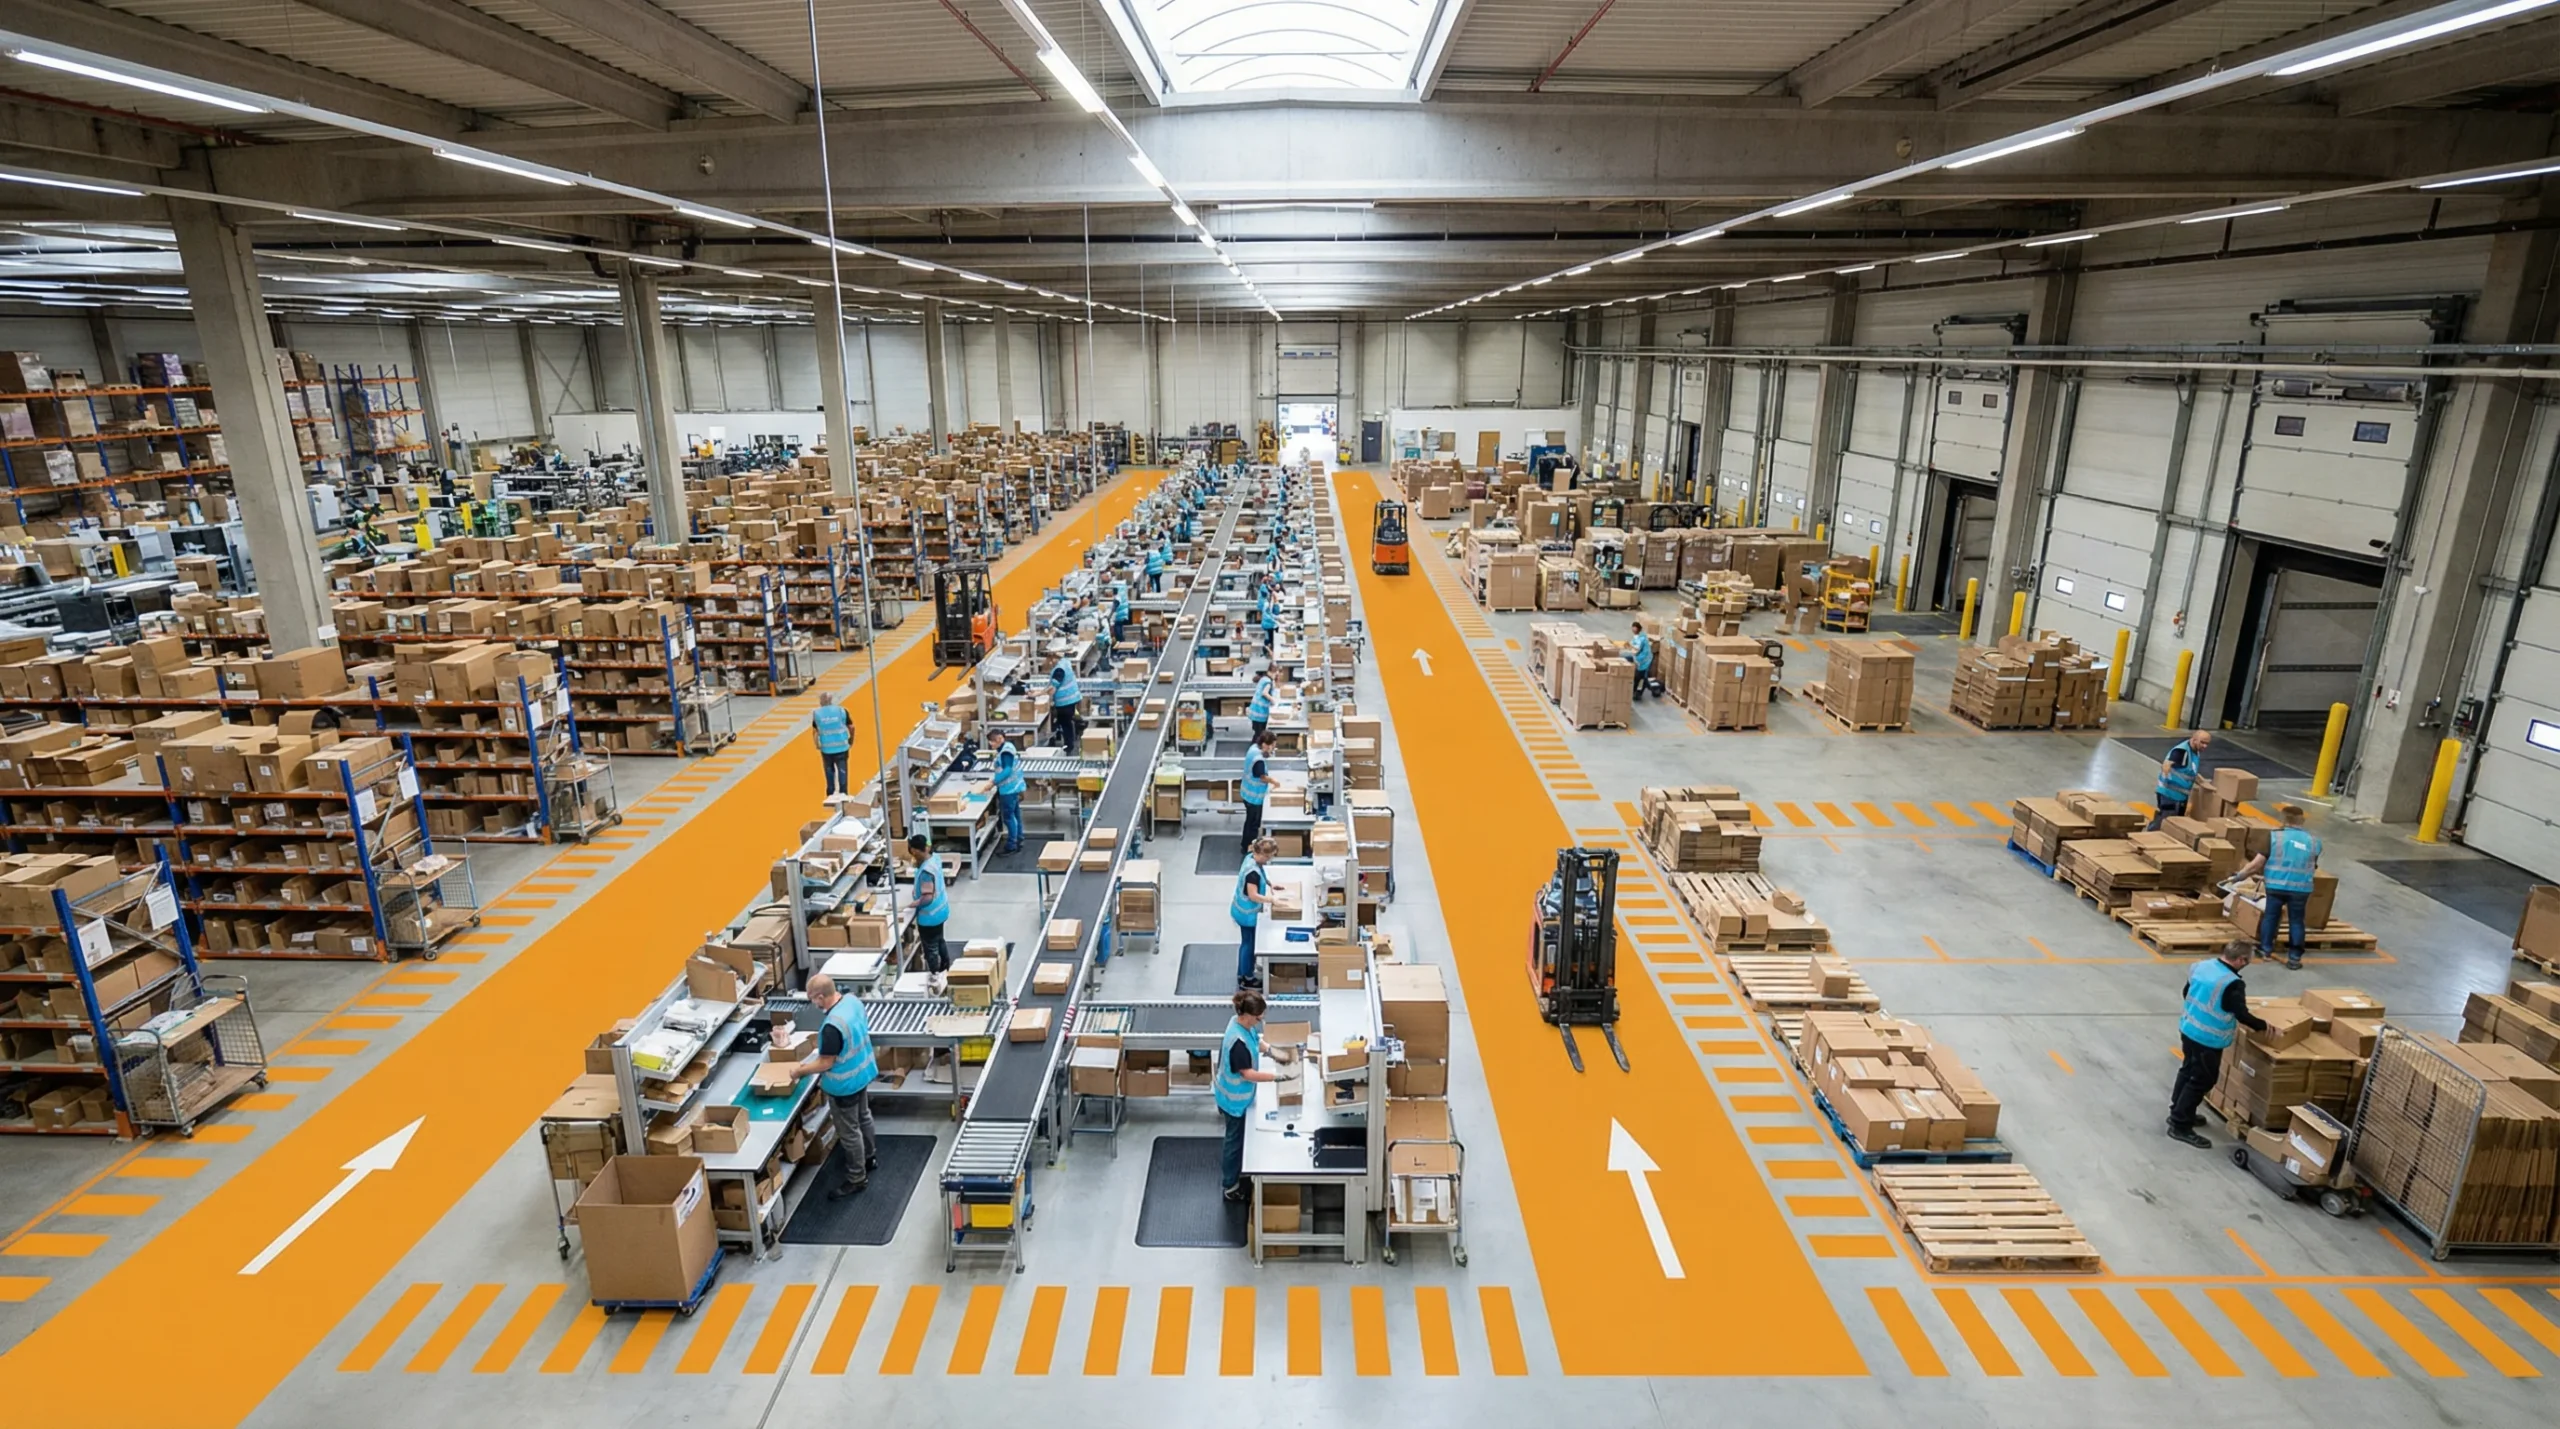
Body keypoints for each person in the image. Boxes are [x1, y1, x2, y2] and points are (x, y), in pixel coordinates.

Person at [2167, 940, 2268, 1147]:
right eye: (2248, 960)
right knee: (2202, 1080)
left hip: (2188, 1028)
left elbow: (2187, 992)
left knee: (2187, 1070)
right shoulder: (2232, 983)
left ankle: (2177, 1111)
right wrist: (2264, 1026)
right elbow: (2241, 1014)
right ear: (2241, 960)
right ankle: (2180, 1125)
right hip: (2208, 1038)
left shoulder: (2201, 966)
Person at [792, 974, 878, 1199]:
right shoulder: (852, 1001)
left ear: (821, 997)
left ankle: (857, 1178)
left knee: (849, 1133)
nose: (813, 1004)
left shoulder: (832, 1026)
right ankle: (870, 1157)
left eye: (813, 999)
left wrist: (799, 1071)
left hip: (845, 1085)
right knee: (864, 1117)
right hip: (862, 1071)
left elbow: (825, 1062)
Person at [1216, 986, 1283, 1204]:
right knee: (1233, 1142)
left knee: (1240, 1139)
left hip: (1242, 1097)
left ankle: (1241, 1172)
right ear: (1247, 1016)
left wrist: (1275, 1052)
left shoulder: (1241, 1024)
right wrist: (1276, 1077)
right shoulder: (1237, 1043)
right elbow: (1248, 1074)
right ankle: (1230, 1186)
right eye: (1258, 1018)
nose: (1260, 1021)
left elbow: (1257, 1039)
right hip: (1234, 1101)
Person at [2236, 804, 2322, 970]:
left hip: (2276, 886)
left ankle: (2266, 949)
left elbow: (2256, 865)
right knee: (2297, 921)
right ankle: (2295, 958)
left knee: (2271, 916)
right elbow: (2313, 865)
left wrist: (2239, 876)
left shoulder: (2274, 837)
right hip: (2301, 889)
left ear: (2282, 819)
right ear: (2302, 820)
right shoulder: (2314, 842)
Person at [1231, 836, 1277, 988]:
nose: (1269, 860)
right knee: (1249, 945)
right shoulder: (1252, 873)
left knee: (1246, 943)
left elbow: (1261, 874)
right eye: (1268, 857)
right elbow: (1253, 895)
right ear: (1262, 854)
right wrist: (1271, 900)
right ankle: (1247, 978)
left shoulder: (1250, 857)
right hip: (1247, 914)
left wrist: (1271, 884)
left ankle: (1243, 972)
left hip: (1240, 909)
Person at [2147, 730, 2214, 830]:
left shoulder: (2195, 752)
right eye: (2202, 742)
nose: (2205, 746)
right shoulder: (2182, 752)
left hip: (2180, 796)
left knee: (2173, 823)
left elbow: (2190, 772)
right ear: (2194, 740)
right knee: (2166, 823)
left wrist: (2203, 782)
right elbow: (2167, 764)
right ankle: (2149, 838)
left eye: (2207, 744)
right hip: (2170, 795)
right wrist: (2165, 770)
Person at [905, 833, 953, 973]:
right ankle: (946, 967)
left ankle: (935, 975)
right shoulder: (934, 859)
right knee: (940, 940)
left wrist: (912, 905)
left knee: (931, 948)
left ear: (915, 850)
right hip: (941, 910)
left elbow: (927, 897)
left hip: (929, 917)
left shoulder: (926, 872)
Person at [978, 729, 1025, 854]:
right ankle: (1019, 838)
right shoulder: (1008, 747)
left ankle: (1011, 845)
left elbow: (1007, 770)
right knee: (1015, 815)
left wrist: (992, 782)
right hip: (1014, 786)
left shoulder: (1005, 752)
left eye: (992, 741)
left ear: (1000, 739)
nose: (991, 744)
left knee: (1009, 817)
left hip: (1008, 789)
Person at [812, 691, 852, 801]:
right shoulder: (841, 711)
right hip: (842, 747)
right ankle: (844, 793)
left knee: (829, 770)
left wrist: (817, 744)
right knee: (842, 770)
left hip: (826, 749)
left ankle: (830, 793)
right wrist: (851, 740)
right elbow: (851, 727)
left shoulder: (817, 713)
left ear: (821, 701)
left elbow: (815, 732)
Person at [1239, 729, 1273, 847]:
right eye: (1271, 746)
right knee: (1253, 824)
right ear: (1264, 745)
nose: (1272, 749)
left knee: (1249, 821)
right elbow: (1262, 777)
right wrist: (1274, 782)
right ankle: (1249, 847)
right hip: (1254, 796)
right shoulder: (1258, 759)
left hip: (1246, 792)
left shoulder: (1253, 748)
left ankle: (1245, 844)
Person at [1049, 653, 1082, 749]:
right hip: (1071, 699)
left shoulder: (1059, 669)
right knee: (1066, 722)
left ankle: (1069, 745)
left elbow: (1052, 689)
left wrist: (1039, 694)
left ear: (1054, 658)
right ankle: (1069, 742)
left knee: (1065, 723)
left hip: (1064, 702)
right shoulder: (1065, 662)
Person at [1625, 621, 1655, 699]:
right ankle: (1636, 691)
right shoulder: (1638, 635)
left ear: (1638, 629)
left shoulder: (1642, 638)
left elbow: (1637, 649)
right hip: (1640, 659)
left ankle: (1639, 693)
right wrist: (1630, 644)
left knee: (1641, 677)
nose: (1633, 631)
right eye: (1633, 629)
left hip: (1645, 660)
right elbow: (1634, 642)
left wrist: (1630, 647)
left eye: (1634, 630)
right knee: (1639, 676)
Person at [1246, 670, 1275, 741]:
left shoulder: (1263, 679)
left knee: (1257, 733)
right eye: (1275, 672)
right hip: (1260, 713)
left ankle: (1255, 746)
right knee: (1260, 735)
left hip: (1255, 711)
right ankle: (1256, 748)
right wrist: (1273, 701)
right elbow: (1264, 693)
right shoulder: (1268, 681)